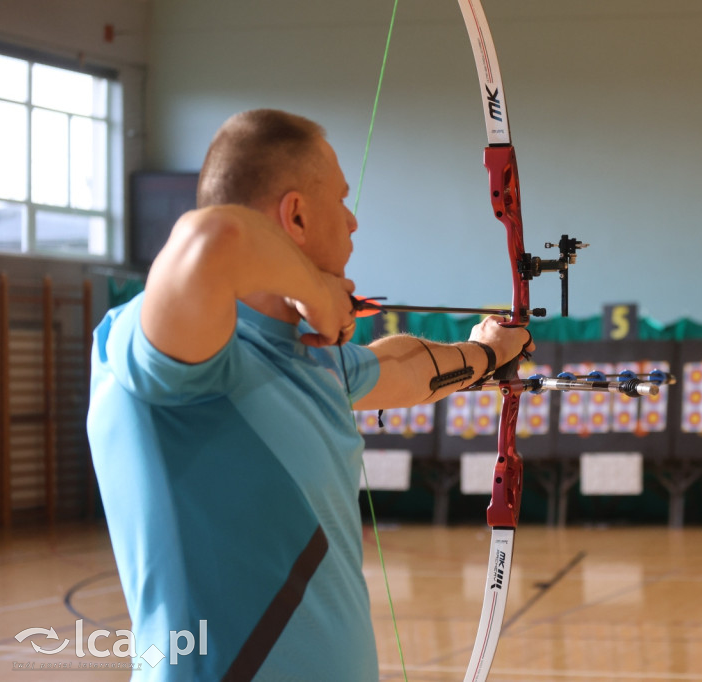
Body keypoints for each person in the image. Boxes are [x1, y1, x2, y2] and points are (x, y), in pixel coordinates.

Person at [87, 109, 532, 680]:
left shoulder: (311, 357)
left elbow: (401, 369)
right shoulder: (169, 352)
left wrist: (488, 352)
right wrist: (314, 291)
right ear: (295, 215)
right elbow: (211, 237)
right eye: (341, 200)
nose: (352, 221)